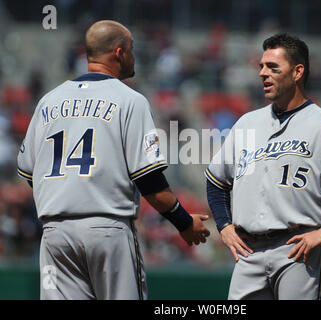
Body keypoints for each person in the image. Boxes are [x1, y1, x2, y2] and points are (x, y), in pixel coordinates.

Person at [17, 20, 210, 300]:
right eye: (131, 49)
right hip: (107, 229)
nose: (134, 56)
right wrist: (184, 222)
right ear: (119, 53)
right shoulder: (130, 100)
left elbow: (29, 173)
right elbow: (150, 181)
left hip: (55, 233)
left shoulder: (48, 101)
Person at [205, 33, 321, 300]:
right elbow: (216, 180)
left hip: (298, 251)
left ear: (298, 72)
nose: (263, 73)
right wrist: (224, 225)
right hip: (248, 251)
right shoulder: (247, 123)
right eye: (261, 66)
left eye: (273, 67)